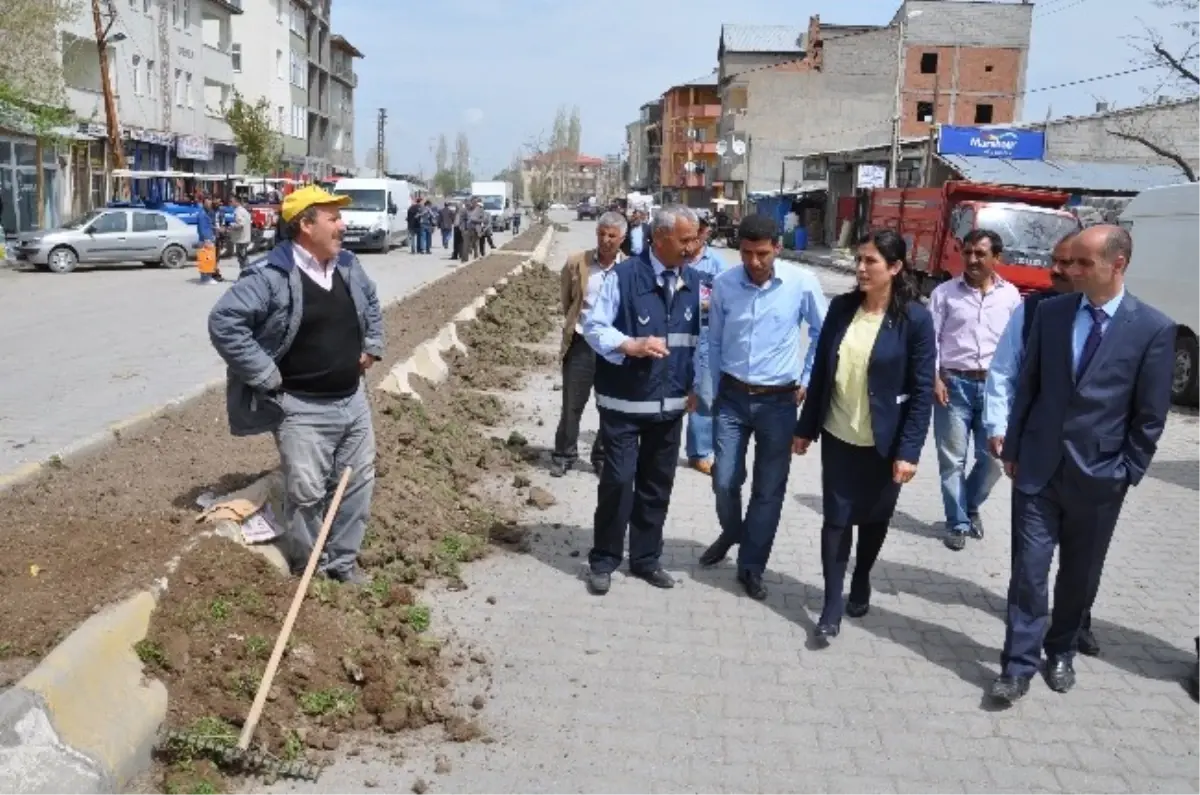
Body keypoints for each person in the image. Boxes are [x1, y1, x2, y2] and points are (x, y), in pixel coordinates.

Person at [990, 224, 1174, 704]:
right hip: (1037, 468)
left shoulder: (1153, 328)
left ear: (1118, 265)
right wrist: (1012, 449)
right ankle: (1017, 665)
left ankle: (1062, 648)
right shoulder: (1050, 314)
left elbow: (1150, 416)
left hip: (1099, 477)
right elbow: (1028, 385)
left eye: (1082, 263)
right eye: (1068, 262)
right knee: (1028, 571)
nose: (1069, 270)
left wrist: (1126, 471)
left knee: (1079, 575)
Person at [207, 185, 384, 585]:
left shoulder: (349, 267)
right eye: (332, 217)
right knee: (306, 494)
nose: (342, 224)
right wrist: (264, 373)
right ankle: (312, 570)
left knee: (357, 485)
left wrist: (372, 345)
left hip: (352, 401)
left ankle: (342, 564)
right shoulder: (271, 276)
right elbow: (225, 322)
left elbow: (371, 303)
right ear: (305, 225)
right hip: (302, 408)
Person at [793, 229, 935, 643]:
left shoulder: (915, 320)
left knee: (874, 518)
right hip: (839, 435)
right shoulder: (841, 308)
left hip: (885, 443)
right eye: (859, 259)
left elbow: (923, 391)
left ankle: (863, 576)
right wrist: (805, 429)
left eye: (870, 261)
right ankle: (831, 603)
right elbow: (821, 370)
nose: (860, 268)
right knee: (836, 521)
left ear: (894, 268)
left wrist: (909, 451)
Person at [983, 231, 1104, 657]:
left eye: (1068, 262)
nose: (1057, 270)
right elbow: (1004, 370)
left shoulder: (1125, 321)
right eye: (1055, 260)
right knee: (1030, 558)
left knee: (1082, 558)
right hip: (1036, 454)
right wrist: (999, 426)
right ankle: (1023, 634)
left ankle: (1076, 621)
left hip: (1093, 467)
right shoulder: (1033, 311)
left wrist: (1128, 464)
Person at [697, 215, 827, 600]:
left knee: (768, 490)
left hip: (779, 402)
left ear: (778, 248)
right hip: (733, 398)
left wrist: (806, 378)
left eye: (763, 254)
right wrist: (709, 392)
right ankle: (732, 531)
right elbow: (713, 340)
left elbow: (824, 332)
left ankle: (751, 565)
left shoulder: (801, 283)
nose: (755, 262)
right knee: (724, 479)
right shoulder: (722, 285)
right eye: (748, 253)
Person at [581, 205, 703, 595]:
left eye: (695, 238)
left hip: (669, 407)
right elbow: (594, 327)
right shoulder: (623, 277)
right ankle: (603, 559)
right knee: (618, 480)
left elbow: (701, 342)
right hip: (623, 404)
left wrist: (698, 385)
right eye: (685, 240)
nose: (693, 246)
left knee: (657, 485)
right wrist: (629, 345)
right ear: (661, 237)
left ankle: (646, 559)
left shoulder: (696, 282)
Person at [928, 229, 1021, 551]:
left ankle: (969, 504)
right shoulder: (944, 293)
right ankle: (957, 522)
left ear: (997, 258)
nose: (972, 260)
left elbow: (1015, 346)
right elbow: (931, 341)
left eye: (980, 254)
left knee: (994, 459)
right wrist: (935, 378)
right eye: (967, 253)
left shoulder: (1011, 297)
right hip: (953, 385)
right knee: (952, 459)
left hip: (995, 389)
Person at [550, 211, 627, 477]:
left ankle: (602, 456)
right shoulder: (578, 263)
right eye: (601, 234)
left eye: (612, 236)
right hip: (581, 343)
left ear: (622, 238)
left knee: (610, 405)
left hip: (613, 348)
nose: (605, 240)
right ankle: (564, 454)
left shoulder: (629, 268)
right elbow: (567, 301)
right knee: (572, 402)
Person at [682, 216, 730, 475]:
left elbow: (720, 304)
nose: (693, 236)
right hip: (673, 332)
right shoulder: (674, 257)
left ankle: (700, 452)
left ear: (706, 232)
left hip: (704, 334)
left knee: (704, 392)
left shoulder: (716, 265)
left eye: (698, 230)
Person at [196, 198, 223, 284]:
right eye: (207, 203)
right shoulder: (202, 214)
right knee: (206, 260)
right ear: (203, 204)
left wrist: (215, 229)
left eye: (210, 203)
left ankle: (206, 277)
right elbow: (202, 228)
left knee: (207, 259)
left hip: (208, 238)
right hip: (206, 240)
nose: (209, 205)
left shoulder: (206, 213)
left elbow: (210, 225)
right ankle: (206, 279)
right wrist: (207, 239)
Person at [231, 196, 254, 269]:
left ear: (236, 202)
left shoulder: (237, 211)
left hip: (240, 239)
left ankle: (245, 274)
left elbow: (240, 225)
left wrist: (231, 226)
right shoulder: (244, 210)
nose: (230, 203)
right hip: (245, 237)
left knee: (242, 258)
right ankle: (246, 272)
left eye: (231, 202)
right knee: (244, 256)